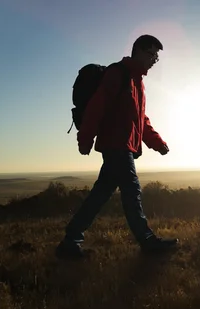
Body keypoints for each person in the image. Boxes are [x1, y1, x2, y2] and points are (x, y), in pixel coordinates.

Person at [56, 34, 178, 259]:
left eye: (156, 57)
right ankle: (147, 241)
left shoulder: (137, 82)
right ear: (139, 51)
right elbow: (96, 106)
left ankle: (70, 240)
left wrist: (157, 143)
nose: (153, 60)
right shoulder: (118, 73)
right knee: (132, 191)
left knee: (100, 195)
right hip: (116, 146)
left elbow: (140, 119)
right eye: (151, 54)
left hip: (125, 147)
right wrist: (85, 138)